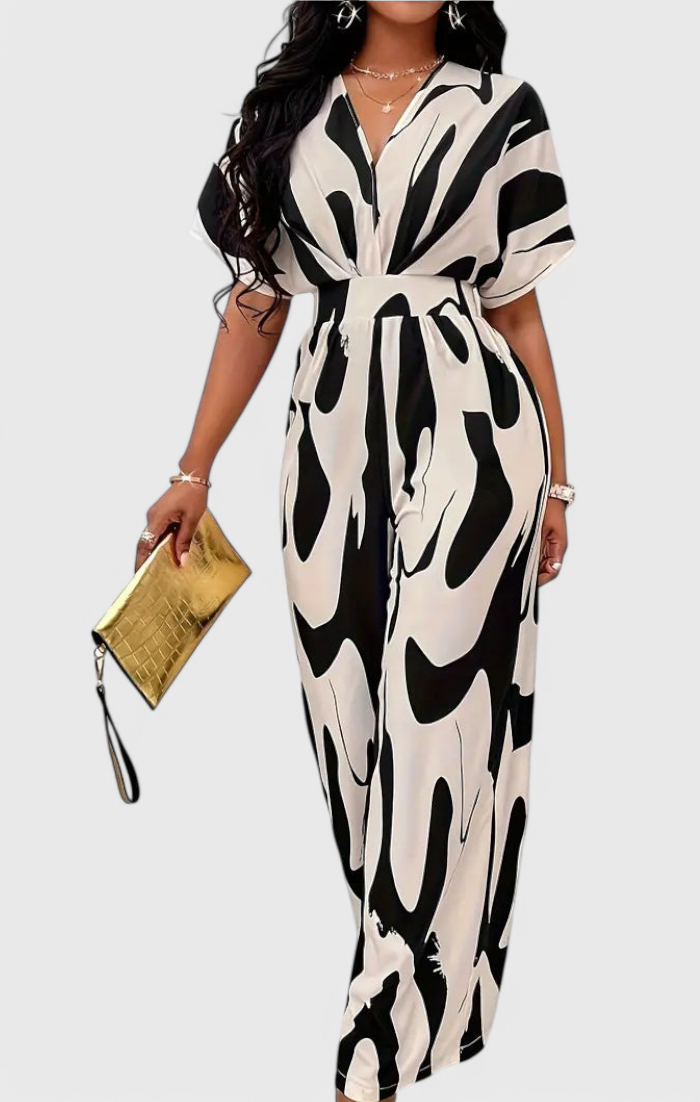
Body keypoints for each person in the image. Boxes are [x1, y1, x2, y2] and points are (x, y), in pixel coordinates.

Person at [135, 3, 576, 1099]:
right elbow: (258, 305)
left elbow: (519, 315)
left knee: (439, 718)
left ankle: (368, 1055)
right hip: (326, 452)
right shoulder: (291, 116)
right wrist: (193, 470)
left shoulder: (502, 109)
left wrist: (559, 484)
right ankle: (432, 1000)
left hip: (477, 445)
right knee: (353, 736)